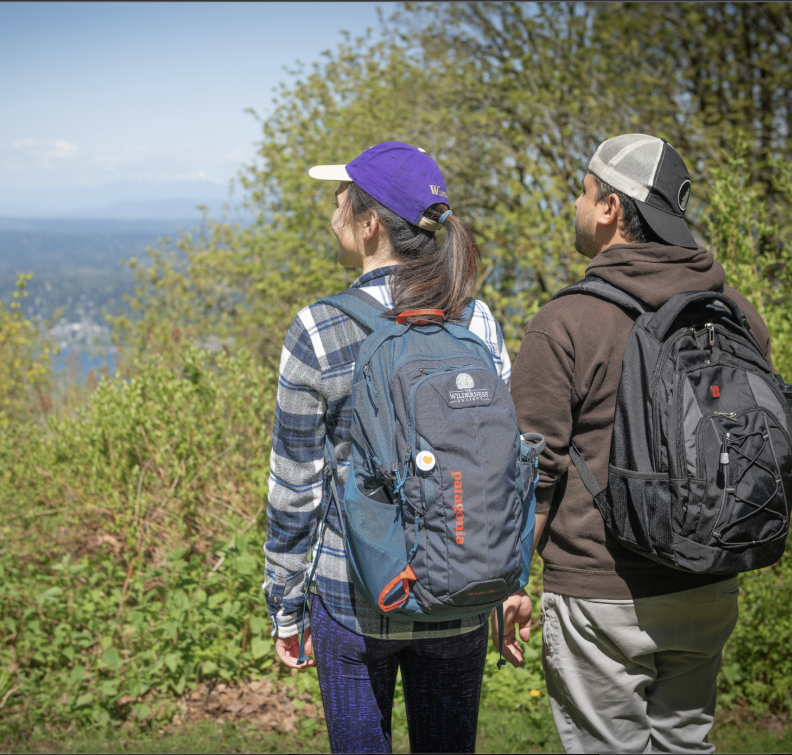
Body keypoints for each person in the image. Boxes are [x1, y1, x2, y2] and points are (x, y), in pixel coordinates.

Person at [502, 134, 773, 753]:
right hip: (709, 581)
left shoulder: (566, 322)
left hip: (601, 594)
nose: (576, 201)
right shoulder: (735, 313)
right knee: (686, 744)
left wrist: (511, 579)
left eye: (584, 189)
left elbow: (532, 470)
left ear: (610, 209)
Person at [263, 141, 512, 754]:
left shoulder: (317, 328)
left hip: (353, 595)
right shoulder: (475, 321)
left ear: (370, 223)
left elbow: (296, 487)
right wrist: (509, 585)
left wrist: (285, 607)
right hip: (461, 590)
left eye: (338, 200)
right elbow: (500, 469)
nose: (331, 213)